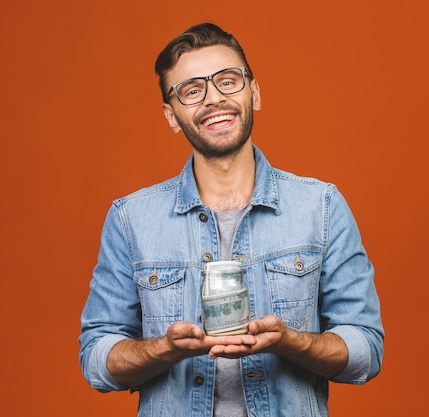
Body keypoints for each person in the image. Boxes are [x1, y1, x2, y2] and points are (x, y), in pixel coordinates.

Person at [79, 22, 384, 417]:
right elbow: (96, 360)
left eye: (227, 80)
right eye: (192, 90)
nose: (214, 99)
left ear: (253, 93)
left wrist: (290, 342)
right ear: (172, 116)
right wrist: (164, 349)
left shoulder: (321, 206)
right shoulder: (130, 219)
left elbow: (366, 350)